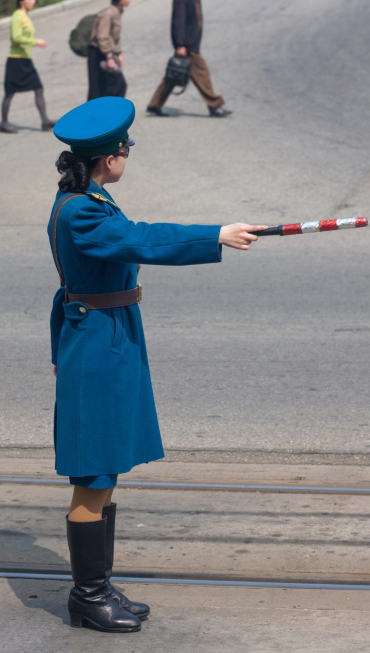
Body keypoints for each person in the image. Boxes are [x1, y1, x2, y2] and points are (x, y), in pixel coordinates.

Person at [48, 96, 265, 633]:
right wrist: (214, 235)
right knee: (94, 473)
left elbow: (138, 232)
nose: (128, 156)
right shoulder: (81, 211)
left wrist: (215, 232)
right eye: (126, 148)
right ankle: (87, 596)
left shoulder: (88, 196)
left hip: (107, 335)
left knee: (107, 467)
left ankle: (99, 585)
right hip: (96, 345)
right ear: (111, 156)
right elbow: (140, 238)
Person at [147, 0, 232, 118]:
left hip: (191, 43)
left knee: (173, 75)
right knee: (202, 74)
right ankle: (215, 106)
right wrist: (180, 44)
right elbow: (178, 22)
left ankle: (155, 104)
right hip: (187, 45)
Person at [0, 0, 55, 133]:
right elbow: (16, 38)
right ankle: (4, 123)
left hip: (25, 59)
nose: (33, 1)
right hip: (15, 60)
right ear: (21, 1)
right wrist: (35, 42)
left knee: (38, 88)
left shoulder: (26, 16)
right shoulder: (17, 16)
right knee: (10, 92)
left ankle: (45, 121)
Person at [87, 0, 133, 100]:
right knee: (103, 88)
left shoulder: (117, 11)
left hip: (107, 53)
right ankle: (98, 116)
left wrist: (119, 54)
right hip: (98, 53)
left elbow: (115, 36)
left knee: (108, 88)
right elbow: (102, 37)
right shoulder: (108, 13)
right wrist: (109, 57)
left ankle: (106, 115)